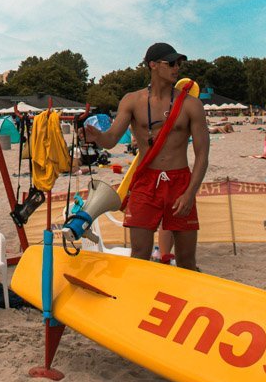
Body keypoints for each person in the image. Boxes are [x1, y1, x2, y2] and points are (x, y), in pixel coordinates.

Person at [84, 42, 208, 269]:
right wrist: (96, 137)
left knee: (186, 260)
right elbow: (111, 139)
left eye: (179, 63)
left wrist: (191, 192)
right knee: (139, 254)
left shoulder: (192, 105)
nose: (176, 68)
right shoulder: (132, 101)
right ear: (152, 65)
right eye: (171, 63)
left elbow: (202, 155)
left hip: (180, 181)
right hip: (146, 182)